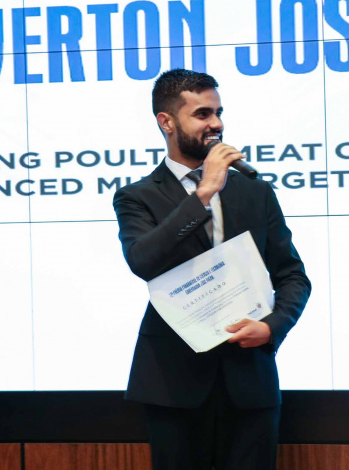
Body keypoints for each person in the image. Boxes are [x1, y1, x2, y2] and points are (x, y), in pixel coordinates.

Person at [113, 68, 311, 469]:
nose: (217, 124)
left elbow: (292, 276)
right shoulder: (137, 197)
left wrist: (273, 326)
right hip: (173, 383)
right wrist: (203, 194)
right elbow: (143, 261)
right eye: (203, 114)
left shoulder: (254, 191)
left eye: (219, 112)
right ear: (166, 122)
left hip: (249, 380)